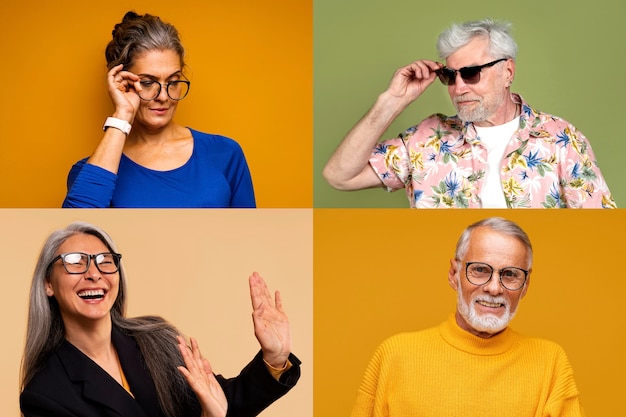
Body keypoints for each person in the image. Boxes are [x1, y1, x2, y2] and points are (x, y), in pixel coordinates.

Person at [323, 18, 615, 208]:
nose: (459, 87)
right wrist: (392, 101)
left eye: (471, 73)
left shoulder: (561, 139)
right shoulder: (426, 138)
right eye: (450, 76)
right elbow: (339, 176)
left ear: (507, 72)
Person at [20, 222, 300, 417]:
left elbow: (221, 403)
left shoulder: (155, 337)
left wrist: (274, 359)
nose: (94, 273)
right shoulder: (44, 396)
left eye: (105, 260)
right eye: (75, 261)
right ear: (48, 284)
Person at [351, 217, 584, 416]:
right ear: (454, 274)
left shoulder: (551, 362)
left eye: (510, 274)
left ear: (525, 286)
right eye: (480, 270)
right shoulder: (394, 355)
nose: (494, 288)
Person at [62, 11, 255, 208]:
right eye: (147, 83)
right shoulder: (95, 170)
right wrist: (122, 114)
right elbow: (79, 224)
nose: (163, 97)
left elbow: (251, 234)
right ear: (124, 83)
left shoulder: (224, 154)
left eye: (172, 82)